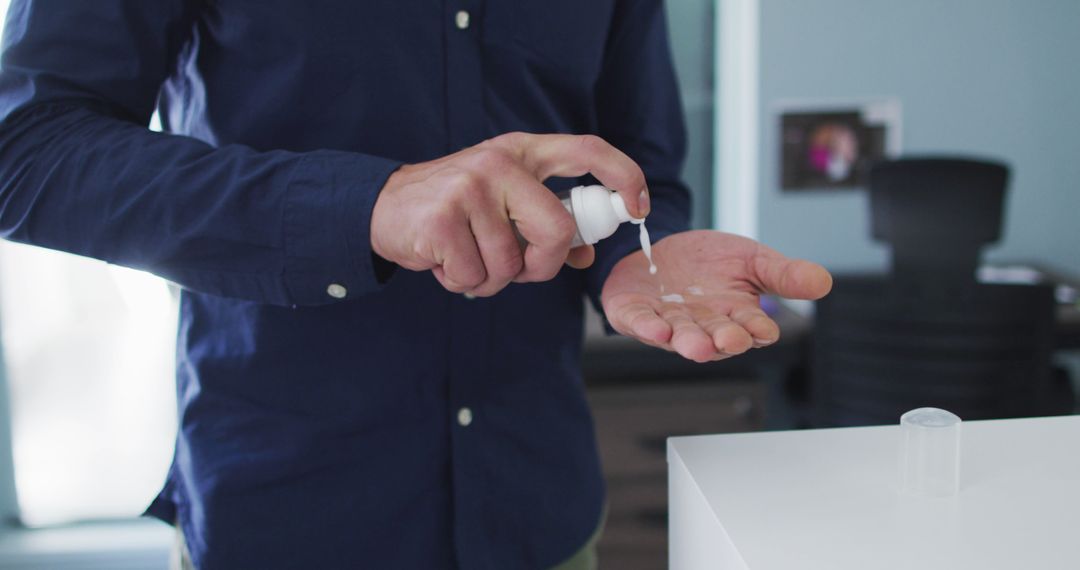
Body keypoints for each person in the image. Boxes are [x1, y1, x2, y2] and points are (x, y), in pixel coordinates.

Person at [0, 1, 831, 569]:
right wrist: (368, 205)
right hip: (286, 511)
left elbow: (635, 170)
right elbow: (25, 152)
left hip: (540, 515)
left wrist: (643, 256)